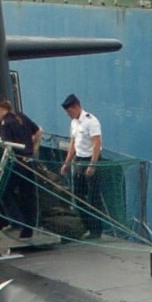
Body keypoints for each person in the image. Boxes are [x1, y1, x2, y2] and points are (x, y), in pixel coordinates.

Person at [0, 95, 41, 236]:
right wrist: (33, 149)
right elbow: (39, 131)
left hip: (17, 164)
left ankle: (16, 222)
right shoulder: (20, 117)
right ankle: (29, 228)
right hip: (29, 162)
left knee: (3, 190)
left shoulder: (6, 123)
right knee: (28, 195)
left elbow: (6, 144)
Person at [61, 92, 103, 232]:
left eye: (69, 111)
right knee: (78, 195)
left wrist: (93, 164)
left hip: (90, 159)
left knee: (93, 196)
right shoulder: (74, 122)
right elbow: (73, 143)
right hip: (79, 159)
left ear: (76, 107)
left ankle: (96, 230)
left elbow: (97, 143)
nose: (68, 114)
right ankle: (86, 226)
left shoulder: (91, 121)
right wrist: (66, 163)